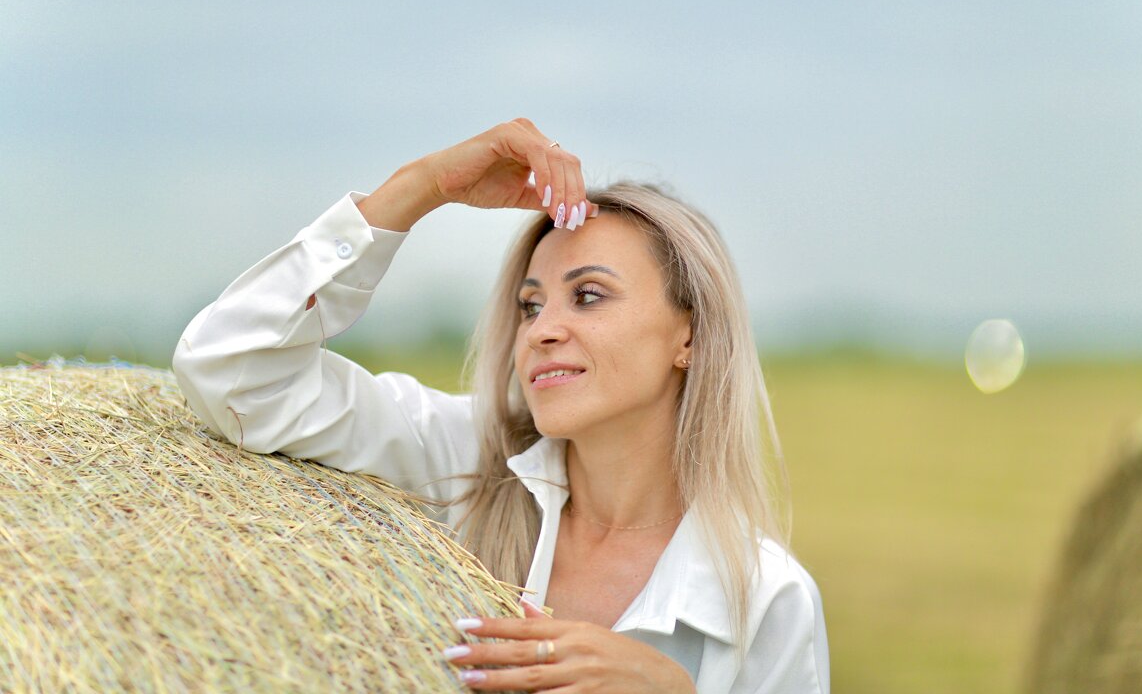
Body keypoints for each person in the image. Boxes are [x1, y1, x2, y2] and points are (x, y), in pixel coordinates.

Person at [173, 118, 830, 693]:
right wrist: (422, 188)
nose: (542, 329)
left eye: (590, 296)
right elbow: (231, 372)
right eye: (531, 305)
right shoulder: (453, 459)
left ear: (688, 334)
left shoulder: (768, 600)